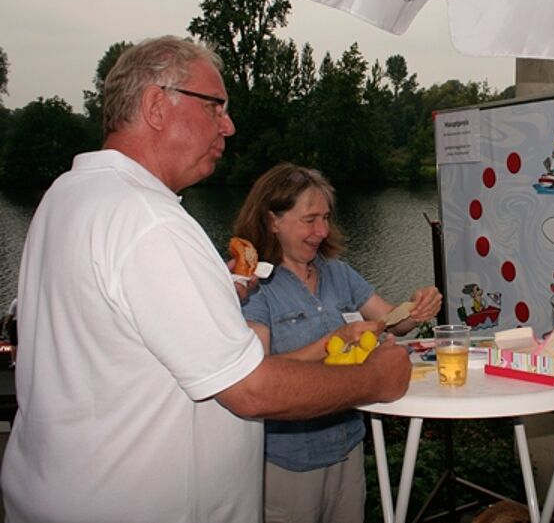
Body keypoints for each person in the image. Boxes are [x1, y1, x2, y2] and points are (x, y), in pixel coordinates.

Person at [0, 36, 412, 523]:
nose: (229, 126)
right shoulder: (149, 219)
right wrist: (373, 380)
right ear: (157, 105)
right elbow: (251, 389)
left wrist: (219, 291)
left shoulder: (66, 197)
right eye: (215, 106)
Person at [233, 162, 443, 523]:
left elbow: (392, 322)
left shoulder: (338, 272)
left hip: (347, 447)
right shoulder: (255, 286)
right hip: (288, 462)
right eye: (310, 219)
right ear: (272, 221)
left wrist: (418, 306)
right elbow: (259, 372)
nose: (322, 230)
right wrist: (336, 339)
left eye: (326, 217)